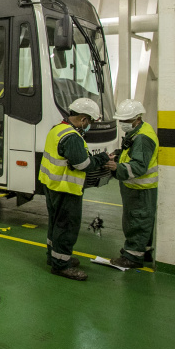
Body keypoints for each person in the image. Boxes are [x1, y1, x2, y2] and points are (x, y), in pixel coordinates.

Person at [39, 97, 112, 281]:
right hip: (66, 189)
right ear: (83, 119)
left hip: (52, 185)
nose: (89, 125)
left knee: (56, 224)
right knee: (66, 226)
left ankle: (54, 257)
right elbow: (83, 164)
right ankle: (61, 265)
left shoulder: (58, 129)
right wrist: (103, 158)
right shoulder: (72, 137)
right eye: (90, 122)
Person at [105, 99, 159, 269]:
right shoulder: (139, 131)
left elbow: (139, 166)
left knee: (137, 220)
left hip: (140, 188)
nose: (123, 124)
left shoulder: (143, 137)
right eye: (121, 120)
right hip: (138, 188)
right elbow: (133, 154)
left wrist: (117, 167)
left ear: (137, 118)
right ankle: (144, 251)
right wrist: (119, 155)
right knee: (142, 220)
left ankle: (132, 257)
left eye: (126, 121)